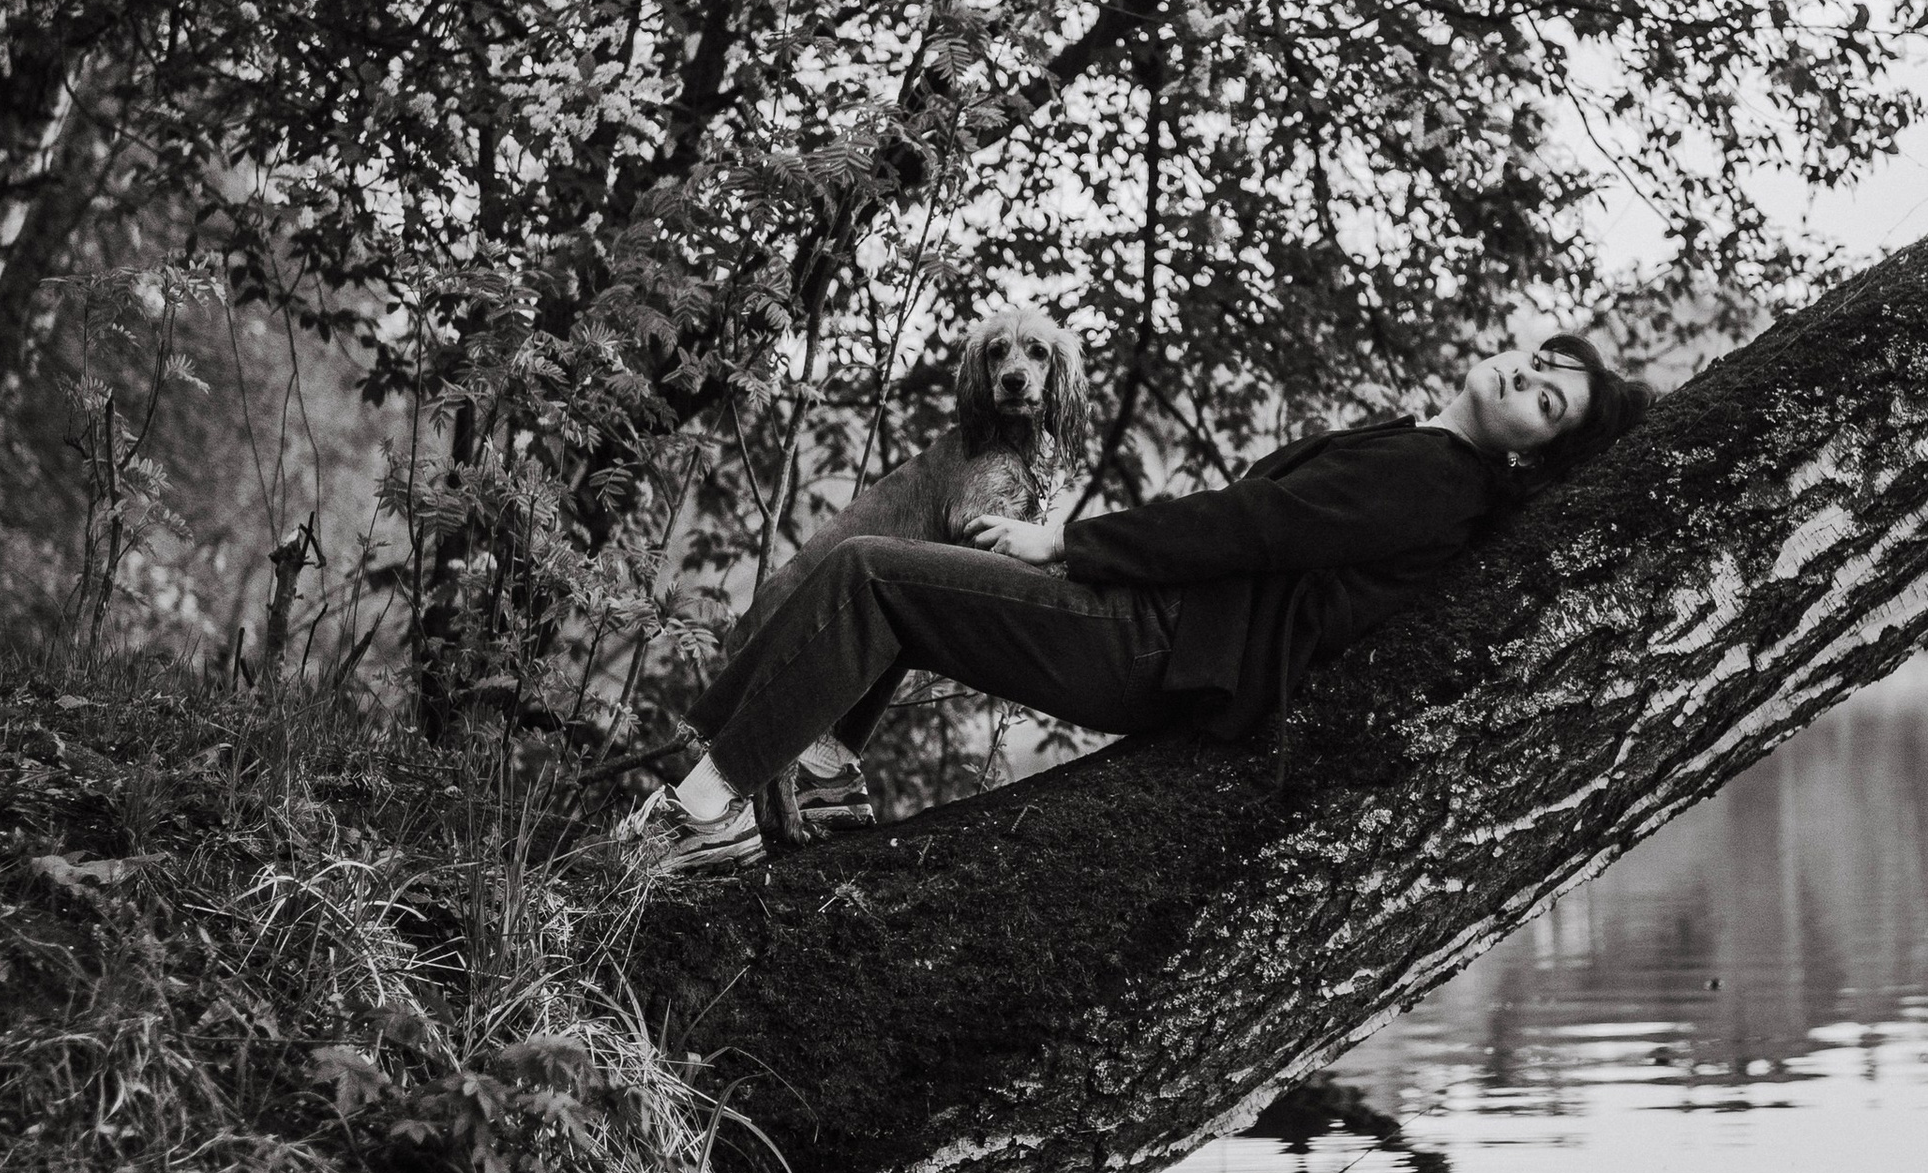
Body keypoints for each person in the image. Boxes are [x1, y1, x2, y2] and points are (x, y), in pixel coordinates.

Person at [628, 321, 1647, 864]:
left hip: (1157, 641)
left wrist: (1065, 546)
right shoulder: (1419, 447)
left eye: (1547, 401)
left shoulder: (1439, 480)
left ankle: (707, 807)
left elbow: (1248, 528)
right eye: (1538, 362)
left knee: (868, 574)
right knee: (907, 579)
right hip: (1161, 633)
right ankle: (817, 772)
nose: (1524, 379)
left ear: (1532, 457)